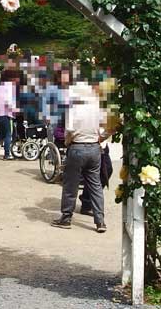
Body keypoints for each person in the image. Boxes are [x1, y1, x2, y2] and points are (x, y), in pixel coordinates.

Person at [51, 82, 107, 233]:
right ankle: (100, 221)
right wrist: (99, 138)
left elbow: (69, 130)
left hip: (77, 147)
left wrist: (68, 142)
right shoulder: (97, 108)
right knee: (95, 185)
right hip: (95, 148)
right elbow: (106, 129)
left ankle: (66, 218)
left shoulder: (73, 108)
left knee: (71, 184)